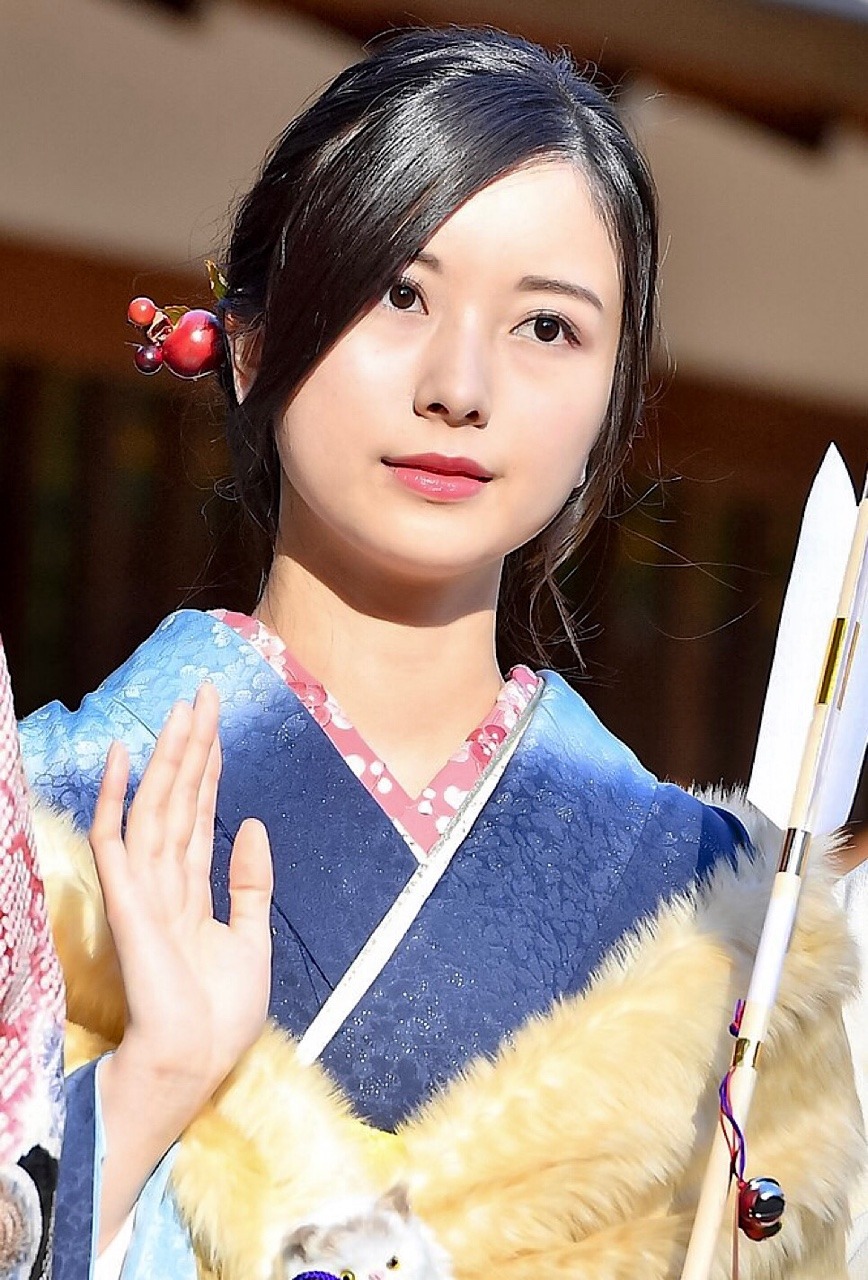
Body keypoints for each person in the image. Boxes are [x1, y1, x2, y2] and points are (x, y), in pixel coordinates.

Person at [17, 26, 864, 1280]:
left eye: (547, 327)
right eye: (398, 293)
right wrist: (143, 1092)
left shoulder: (720, 911)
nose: (460, 385)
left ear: (610, 406)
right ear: (250, 344)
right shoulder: (38, 816)